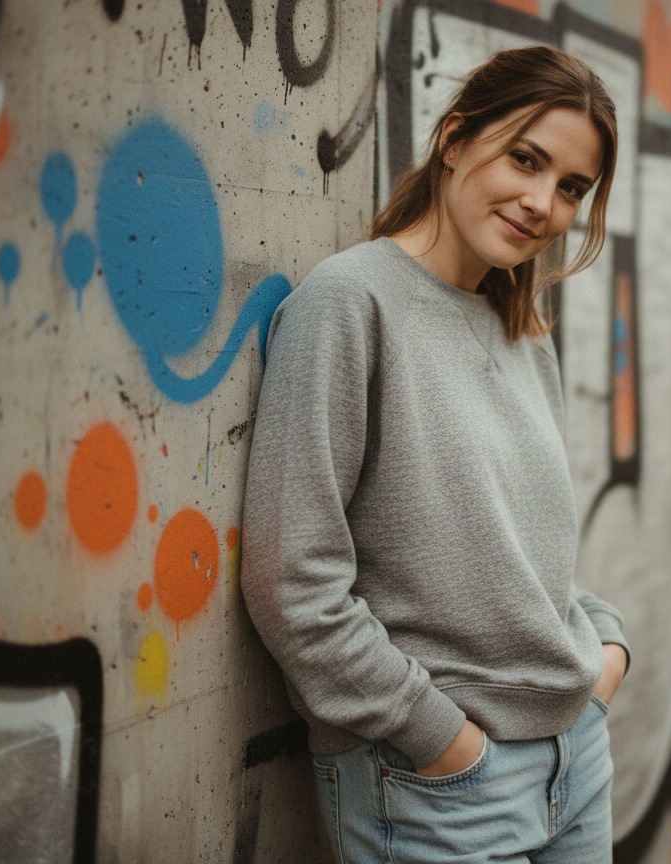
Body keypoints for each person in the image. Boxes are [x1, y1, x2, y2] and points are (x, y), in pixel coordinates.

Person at [240, 45, 629, 864]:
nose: (542, 203)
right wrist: (439, 738)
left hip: (576, 762)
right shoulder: (351, 303)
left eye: (571, 188)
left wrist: (606, 646)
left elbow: (517, 554)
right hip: (438, 784)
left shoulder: (521, 333)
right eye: (526, 159)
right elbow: (291, 581)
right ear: (455, 140)